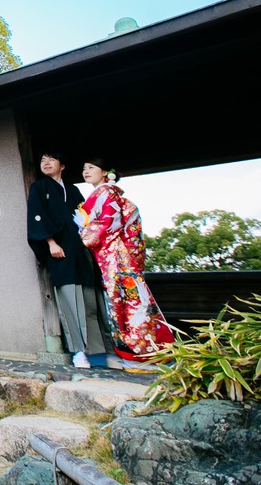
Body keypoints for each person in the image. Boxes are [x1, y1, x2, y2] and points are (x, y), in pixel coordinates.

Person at [75, 158, 173, 368]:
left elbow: (109, 223)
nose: (86, 171)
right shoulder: (103, 193)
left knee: (127, 302)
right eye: (84, 168)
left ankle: (141, 350)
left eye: (91, 167)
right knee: (125, 301)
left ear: (105, 173)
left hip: (115, 256)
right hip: (112, 255)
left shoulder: (107, 193)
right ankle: (137, 350)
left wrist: (83, 230)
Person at [26, 151, 105, 369]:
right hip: (59, 250)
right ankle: (78, 351)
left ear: (62, 165)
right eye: (42, 160)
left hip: (80, 250)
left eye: (51, 159)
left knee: (89, 300)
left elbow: (87, 220)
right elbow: (36, 215)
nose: (46, 163)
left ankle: (97, 351)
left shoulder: (73, 190)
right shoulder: (39, 188)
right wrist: (50, 243)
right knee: (70, 301)